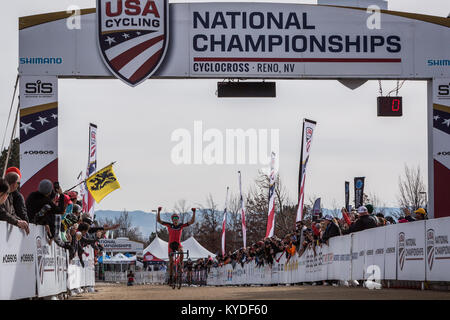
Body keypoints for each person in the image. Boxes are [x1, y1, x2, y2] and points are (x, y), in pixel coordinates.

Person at [156, 206, 196, 284]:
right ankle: (171, 278)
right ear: (172, 220)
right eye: (174, 220)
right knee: (171, 262)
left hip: (178, 244)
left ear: (178, 220)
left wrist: (194, 212)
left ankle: (180, 265)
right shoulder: (169, 225)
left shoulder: (180, 226)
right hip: (171, 245)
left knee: (181, 251)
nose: (175, 221)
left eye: (176, 219)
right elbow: (159, 220)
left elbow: (191, 222)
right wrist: (159, 211)